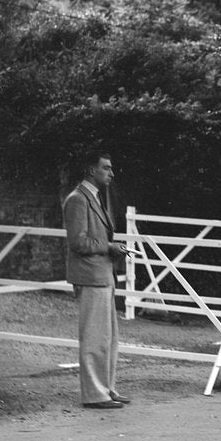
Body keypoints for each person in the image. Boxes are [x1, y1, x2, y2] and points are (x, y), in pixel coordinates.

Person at [63, 151, 131, 409]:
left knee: (108, 338)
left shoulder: (94, 197)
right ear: (92, 170)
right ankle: (94, 394)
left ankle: (107, 389)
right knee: (94, 339)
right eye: (106, 168)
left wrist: (111, 248)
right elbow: (78, 242)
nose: (111, 173)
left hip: (102, 275)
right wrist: (109, 247)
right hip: (91, 277)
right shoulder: (77, 199)